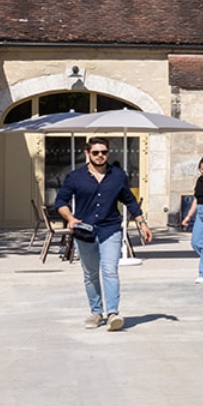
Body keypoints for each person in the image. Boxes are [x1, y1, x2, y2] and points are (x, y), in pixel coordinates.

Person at [54, 136, 153, 330]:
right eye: (96, 152)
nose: (100, 156)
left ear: (108, 153)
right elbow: (61, 202)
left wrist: (142, 222)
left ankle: (113, 313)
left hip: (110, 229)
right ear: (87, 154)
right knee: (90, 274)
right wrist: (71, 218)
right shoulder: (75, 177)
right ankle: (96, 312)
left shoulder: (118, 175)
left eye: (104, 152)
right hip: (85, 232)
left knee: (110, 271)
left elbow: (129, 201)